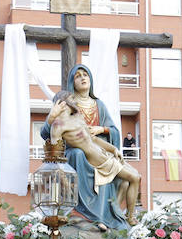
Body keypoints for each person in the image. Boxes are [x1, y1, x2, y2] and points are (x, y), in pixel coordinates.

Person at [40, 64, 128, 231]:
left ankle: (108, 216)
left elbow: (114, 131)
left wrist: (102, 129)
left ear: (90, 79)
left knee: (126, 176)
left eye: (85, 74)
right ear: (72, 82)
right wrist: (51, 117)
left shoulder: (98, 105)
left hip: (98, 150)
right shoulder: (66, 103)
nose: (82, 78)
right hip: (74, 152)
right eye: (77, 75)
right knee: (78, 154)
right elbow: (47, 134)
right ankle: (81, 213)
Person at [47, 90, 141, 225]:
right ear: (62, 103)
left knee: (126, 181)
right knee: (135, 178)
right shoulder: (58, 126)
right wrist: (65, 180)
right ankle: (131, 218)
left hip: (105, 154)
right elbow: (55, 156)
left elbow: (93, 139)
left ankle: (114, 215)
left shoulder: (78, 117)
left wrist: (113, 149)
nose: (76, 101)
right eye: (72, 98)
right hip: (98, 161)